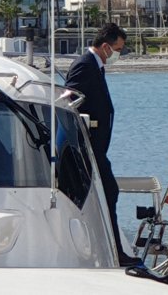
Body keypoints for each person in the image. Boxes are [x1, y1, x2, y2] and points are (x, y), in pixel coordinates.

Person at [65, 23, 141, 267]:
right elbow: (69, 102)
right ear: (106, 46)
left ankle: (112, 248)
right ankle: (113, 250)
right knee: (109, 192)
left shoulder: (96, 67)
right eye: (118, 49)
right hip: (89, 148)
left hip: (98, 148)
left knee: (109, 193)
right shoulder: (84, 66)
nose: (119, 53)